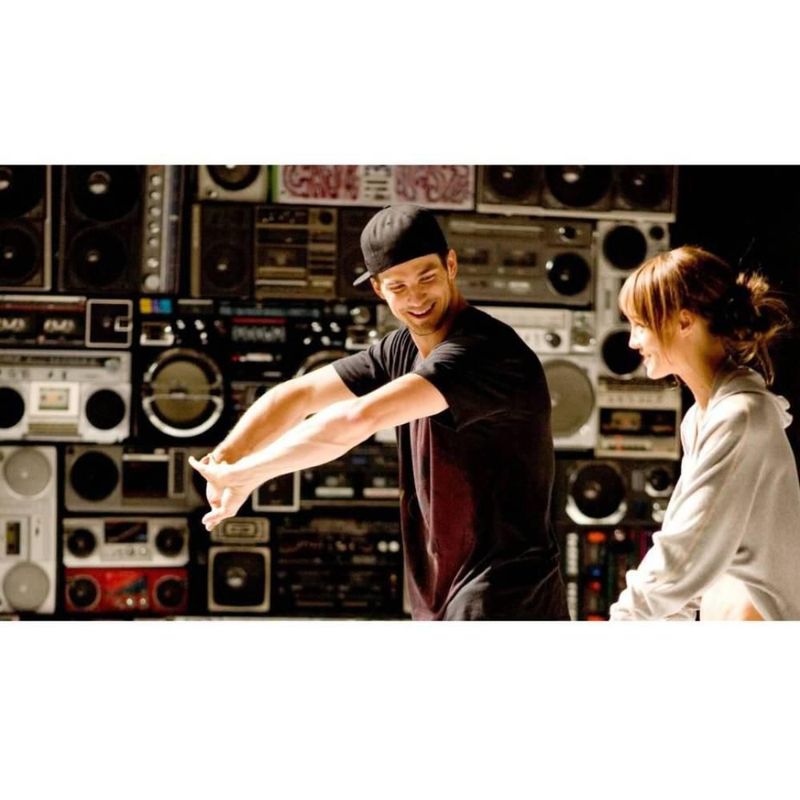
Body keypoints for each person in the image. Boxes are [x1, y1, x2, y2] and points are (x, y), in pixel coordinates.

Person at [189, 203, 569, 620]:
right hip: (448, 592)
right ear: (378, 289)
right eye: (398, 286)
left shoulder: (484, 352)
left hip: (508, 595)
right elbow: (297, 395)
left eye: (426, 277)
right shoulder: (401, 348)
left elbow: (357, 419)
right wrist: (225, 460)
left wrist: (251, 473)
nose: (416, 297)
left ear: (451, 265)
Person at [608, 245, 800, 620]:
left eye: (641, 325)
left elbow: (684, 553)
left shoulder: (740, 416)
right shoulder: (702, 418)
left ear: (684, 322)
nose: (632, 341)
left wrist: (623, 623)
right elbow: (687, 555)